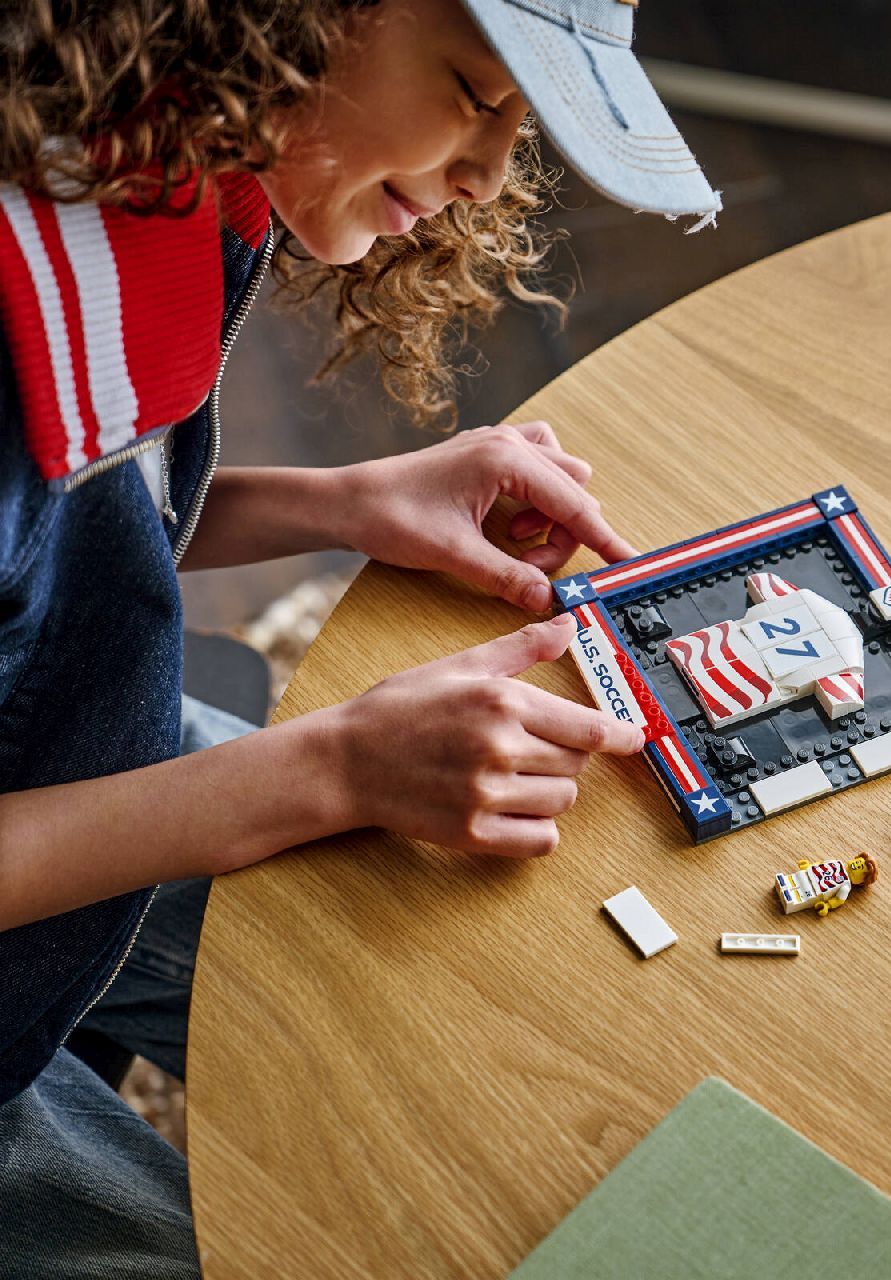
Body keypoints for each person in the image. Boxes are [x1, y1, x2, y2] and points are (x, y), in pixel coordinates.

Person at [0, 0, 720, 1272]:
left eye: (522, 122)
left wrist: (341, 503)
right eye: (474, 92)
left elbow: (66, 538)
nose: (489, 172)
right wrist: (326, 766)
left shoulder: (180, 168)